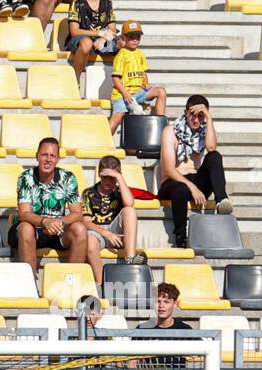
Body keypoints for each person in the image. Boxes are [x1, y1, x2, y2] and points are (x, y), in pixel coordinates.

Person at [9, 137, 89, 281]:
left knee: (80, 229)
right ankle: (29, 283)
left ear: (58, 159)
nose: (48, 159)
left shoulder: (67, 178)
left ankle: (72, 283)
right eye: (44, 155)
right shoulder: (26, 178)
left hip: (57, 230)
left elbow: (77, 214)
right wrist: (45, 221)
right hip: (32, 228)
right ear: (37, 157)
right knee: (26, 228)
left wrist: (57, 222)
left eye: (52, 156)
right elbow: (24, 214)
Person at [158, 95, 231, 250]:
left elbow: (211, 148)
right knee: (181, 189)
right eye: (192, 114)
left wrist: (209, 119)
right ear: (186, 112)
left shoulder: (204, 130)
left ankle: (221, 200)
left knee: (214, 157)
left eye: (200, 116)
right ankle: (180, 238)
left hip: (196, 180)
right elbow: (169, 169)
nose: (196, 120)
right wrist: (191, 186)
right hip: (173, 182)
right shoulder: (170, 131)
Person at [82, 155, 145, 287]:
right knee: (90, 241)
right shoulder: (88, 193)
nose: (108, 181)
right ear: (100, 175)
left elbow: (129, 203)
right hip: (98, 232)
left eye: (112, 177)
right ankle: (102, 283)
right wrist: (106, 233)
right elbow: (86, 222)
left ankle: (130, 259)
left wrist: (120, 179)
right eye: (105, 177)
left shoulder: (120, 191)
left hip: (116, 231)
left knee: (129, 211)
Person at [108, 21, 166, 135]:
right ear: (123, 38)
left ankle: (160, 126)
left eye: (137, 37)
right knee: (118, 117)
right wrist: (125, 93)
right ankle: (104, 140)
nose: (135, 40)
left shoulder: (140, 53)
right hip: (122, 93)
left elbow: (143, 71)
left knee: (161, 91)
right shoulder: (121, 55)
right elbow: (115, 78)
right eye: (131, 37)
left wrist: (146, 83)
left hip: (138, 92)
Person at [64, 0, 117, 80]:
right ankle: (76, 80)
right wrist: (98, 33)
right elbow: (74, 31)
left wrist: (103, 39)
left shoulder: (107, 2)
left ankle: (125, 83)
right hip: (80, 40)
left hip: (100, 42)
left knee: (124, 42)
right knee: (87, 43)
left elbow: (112, 30)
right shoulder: (77, 2)